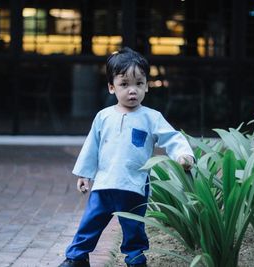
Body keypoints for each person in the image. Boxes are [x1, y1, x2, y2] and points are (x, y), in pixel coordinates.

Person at [59, 47, 194, 267]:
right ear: (112, 87)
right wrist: (84, 173)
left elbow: (172, 137)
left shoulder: (151, 117)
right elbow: (91, 146)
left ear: (147, 85)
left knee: (133, 228)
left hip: (134, 185)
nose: (132, 91)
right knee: (90, 223)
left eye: (139, 83)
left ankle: (135, 259)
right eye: (124, 84)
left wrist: (184, 155)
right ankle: (77, 257)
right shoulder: (103, 117)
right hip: (104, 184)